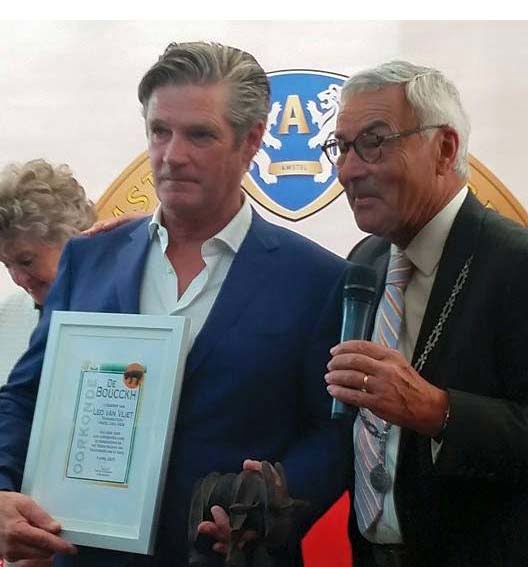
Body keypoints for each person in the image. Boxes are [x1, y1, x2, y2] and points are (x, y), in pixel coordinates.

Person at [0, 42, 349, 567]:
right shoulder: (88, 259)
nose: (172, 155)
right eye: (159, 131)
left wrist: (272, 504)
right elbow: (26, 395)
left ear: (252, 140)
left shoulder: (318, 280)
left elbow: (335, 433)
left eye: (199, 135)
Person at [323, 61, 528, 566]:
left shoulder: (515, 263)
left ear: (444, 149)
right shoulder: (367, 259)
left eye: (374, 142)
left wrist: (438, 411)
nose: (349, 170)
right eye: (341, 147)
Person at [0, 159, 96, 385]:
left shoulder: (120, 308)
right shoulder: (7, 315)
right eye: (6, 264)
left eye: (26, 261)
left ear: (71, 238)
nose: (18, 279)